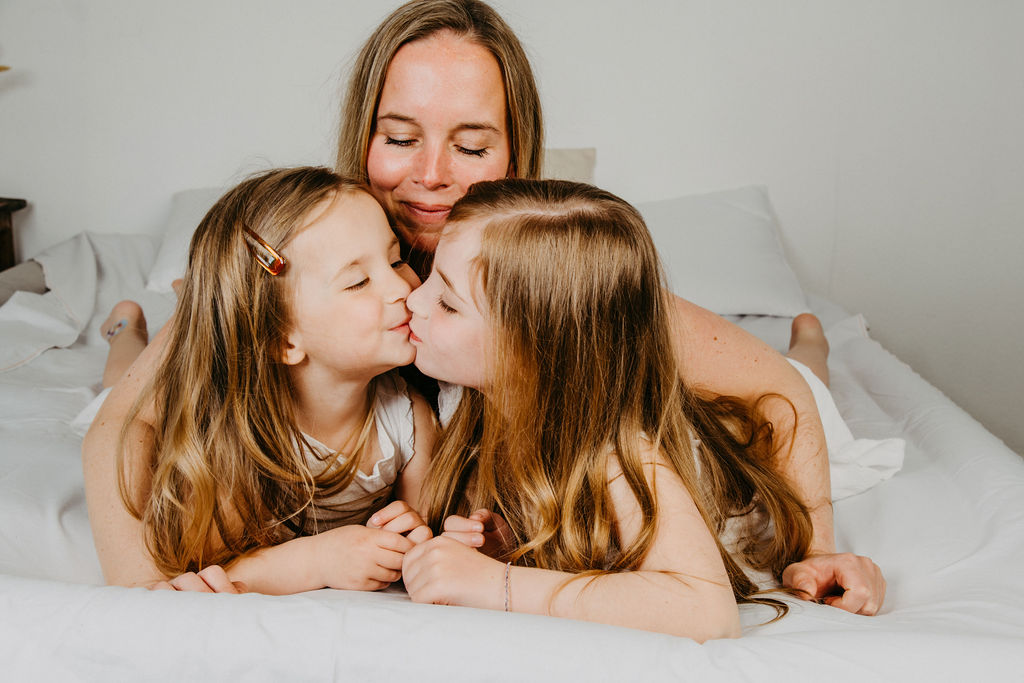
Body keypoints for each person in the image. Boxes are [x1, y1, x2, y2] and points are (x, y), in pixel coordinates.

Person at [83, 0, 882, 608]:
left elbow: (778, 394)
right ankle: (128, 323)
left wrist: (820, 542)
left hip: (770, 377)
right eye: (399, 138)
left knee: (812, 372)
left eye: (470, 146)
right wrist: (144, 594)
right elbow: (125, 421)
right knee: (111, 384)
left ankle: (811, 333)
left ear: (514, 149)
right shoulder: (291, 280)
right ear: (362, 137)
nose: (432, 174)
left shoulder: (563, 291)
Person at [399, 178, 824, 639]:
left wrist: (499, 585)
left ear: (535, 348)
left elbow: (708, 610)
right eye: (429, 280)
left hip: (740, 426)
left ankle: (812, 341)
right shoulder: (480, 400)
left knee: (811, 377)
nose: (413, 300)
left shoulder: (623, 455)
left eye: (447, 303)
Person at [82, 167, 437, 593]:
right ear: (281, 340)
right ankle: (126, 326)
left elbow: (422, 531)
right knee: (119, 377)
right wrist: (313, 561)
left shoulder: (409, 421)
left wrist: (411, 534)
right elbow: (200, 571)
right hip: (168, 392)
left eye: (397, 259)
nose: (403, 287)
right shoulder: (231, 446)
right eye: (358, 281)